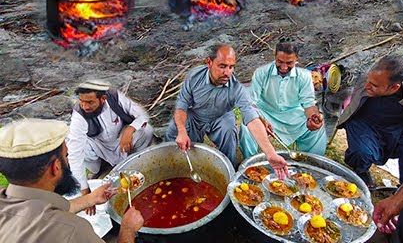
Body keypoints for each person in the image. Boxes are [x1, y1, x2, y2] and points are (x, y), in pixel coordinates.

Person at [0, 119, 144, 243]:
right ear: (56, 167)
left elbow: (38, 209)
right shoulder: (72, 231)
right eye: (66, 155)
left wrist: (89, 199)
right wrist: (128, 230)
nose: (69, 162)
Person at [335, 56, 403, 242]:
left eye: (375, 85)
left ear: (393, 87)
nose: (367, 86)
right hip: (365, 124)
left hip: (400, 128)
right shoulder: (370, 78)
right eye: (368, 81)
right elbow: (348, 104)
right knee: (361, 152)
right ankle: (361, 170)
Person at [165, 44, 289, 178]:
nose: (227, 73)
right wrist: (182, 132)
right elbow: (181, 106)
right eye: (222, 66)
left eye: (231, 67)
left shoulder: (236, 88)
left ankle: (229, 172)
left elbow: (251, 119)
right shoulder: (194, 77)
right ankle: (182, 169)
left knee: (229, 130)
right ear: (209, 62)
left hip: (221, 116)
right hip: (196, 115)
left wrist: (270, 154)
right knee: (176, 136)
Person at [67, 80, 153, 199]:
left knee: (147, 131)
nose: (85, 106)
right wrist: (84, 190)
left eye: (90, 102)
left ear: (102, 99)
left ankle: (136, 164)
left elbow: (143, 116)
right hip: (98, 144)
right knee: (80, 147)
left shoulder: (115, 97)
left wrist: (130, 129)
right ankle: (98, 168)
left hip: (121, 138)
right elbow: (74, 154)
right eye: (82, 102)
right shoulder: (79, 115)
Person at [240, 41, 326, 158]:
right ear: (275, 57)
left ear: (296, 60)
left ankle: (312, 164)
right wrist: (260, 119)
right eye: (280, 62)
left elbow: (308, 104)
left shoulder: (304, 76)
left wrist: (313, 118)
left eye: (289, 63)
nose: (284, 67)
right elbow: (251, 104)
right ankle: (251, 164)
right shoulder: (261, 73)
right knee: (247, 126)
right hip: (266, 113)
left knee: (317, 131)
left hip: (293, 115)